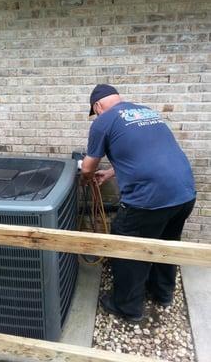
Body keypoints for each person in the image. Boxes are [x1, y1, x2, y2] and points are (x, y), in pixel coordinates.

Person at [81, 84, 196, 322]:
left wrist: (86, 177)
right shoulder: (146, 112)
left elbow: (89, 167)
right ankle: (162, 293)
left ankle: (127, 306)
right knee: (167, 244)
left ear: (97, 106)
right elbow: (145, 153)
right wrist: (112, 173)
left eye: (96, 112)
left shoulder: (102, 121)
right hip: (184, 192)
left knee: (127, 245)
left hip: (148, 199)